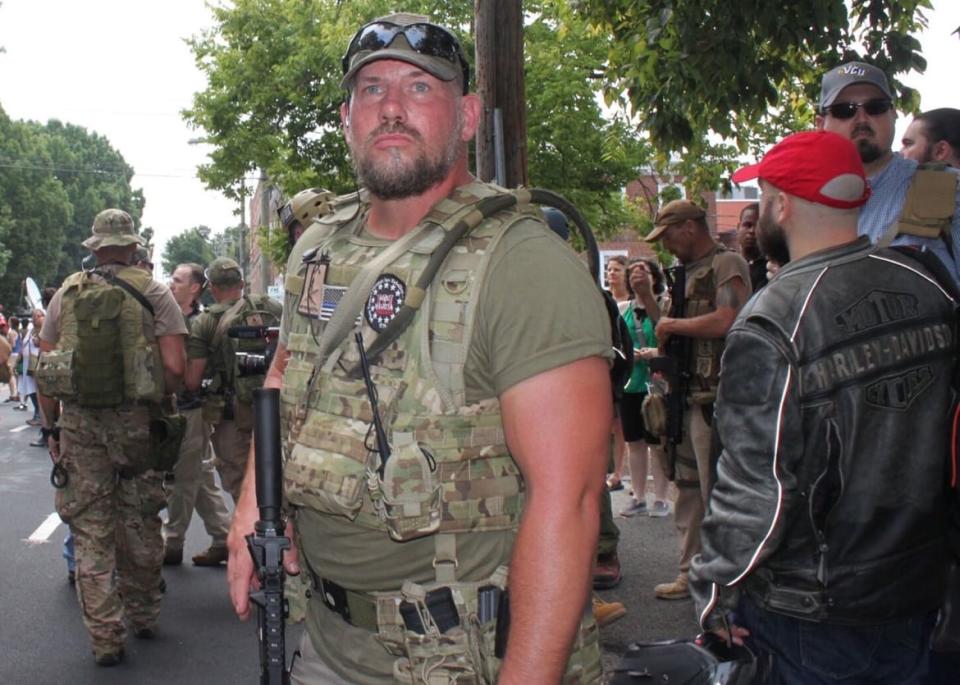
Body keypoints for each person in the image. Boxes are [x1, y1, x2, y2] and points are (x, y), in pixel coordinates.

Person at [226, 13, 612, 685]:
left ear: (465, 115)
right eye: (372, 89)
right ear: (347, 115)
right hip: (328, 642)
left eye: (420, 88)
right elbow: (285, 377)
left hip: (465, 658)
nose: (393, 108)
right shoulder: (318, 248)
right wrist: (251, 510)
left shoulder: (523, 263)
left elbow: (569, 499)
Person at [690, 129, 959, 684]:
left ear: (782, 204)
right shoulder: (929, 285)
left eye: (762, 197)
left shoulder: (775, 318)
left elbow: (756, 486)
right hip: (917, 587)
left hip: (812, 607)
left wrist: (713, 591)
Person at [37, 208, 186, 666]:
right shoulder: (156, 293)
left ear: (95, 247)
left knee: (91, 531)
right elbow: (177, 369)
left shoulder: (67, 293)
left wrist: (53, 429)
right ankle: (143, 613)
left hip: (82, 426)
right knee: (140, 518)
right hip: (138, 426)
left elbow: (46, 369)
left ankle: (105, 637)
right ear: (133, 246)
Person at [644, 199, 751, 600]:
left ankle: (726, 581)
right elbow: (665, 330)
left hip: (715, 398)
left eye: (669, 234)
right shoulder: (684, 273)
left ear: (689, 227)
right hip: (685, 395)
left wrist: (674, 324)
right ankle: (691, 573)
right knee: (687, 488)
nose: (667, 244)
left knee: (716, 491)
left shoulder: (727, 265)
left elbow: (730, 319)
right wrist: (650, 300)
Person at [815, 61, 960, 284]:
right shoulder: (807, 205)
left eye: (876, 107)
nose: (862, 119)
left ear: (893, 114)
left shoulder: (944, 188)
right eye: (845, 110)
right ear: (820, 124)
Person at [184, 257, 281, 502]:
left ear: (213, 288)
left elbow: (193, 380)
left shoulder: (205, 322)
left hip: (232, 419)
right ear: (242, 283)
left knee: (240, 485)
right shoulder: (271, 308)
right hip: (273, 411)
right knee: (277, 480)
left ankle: (250, 535)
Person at [162, 262, 233, 567]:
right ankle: (223, 537)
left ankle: (173, 541)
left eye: (177, 280)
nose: (170, 283)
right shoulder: (170, 318)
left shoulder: (201, 323)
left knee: (182, 476)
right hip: (177, 407)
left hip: (192, 409)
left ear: (194, 288)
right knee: (201, 477)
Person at [618, 259, 670, 519]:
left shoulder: (663, 306)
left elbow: (673, 343)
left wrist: (654, 353)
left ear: (654, 277)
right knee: (634, 441)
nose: (637, 275)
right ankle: (639, 497)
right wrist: (631, 355)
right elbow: (616, 344)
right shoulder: (623, 309)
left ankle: (661, 498)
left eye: (643, 270)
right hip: (632, 383)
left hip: (657, 384)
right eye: (633, 271)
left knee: (657, 440)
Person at [736, 202, 767, 291]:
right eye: (747, 225)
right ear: (738, 228)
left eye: (758, 226)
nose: (752, 231)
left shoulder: (771, 270)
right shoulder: (729, 266)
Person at [4, 315, 18, 402]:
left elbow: (12, 345)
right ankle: (14, 393)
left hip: (12, 354)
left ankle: (13, 394)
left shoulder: (11, 333)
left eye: (9, 321)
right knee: (13, 374)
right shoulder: (15, 332)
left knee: (10, 374)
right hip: (14, 354)